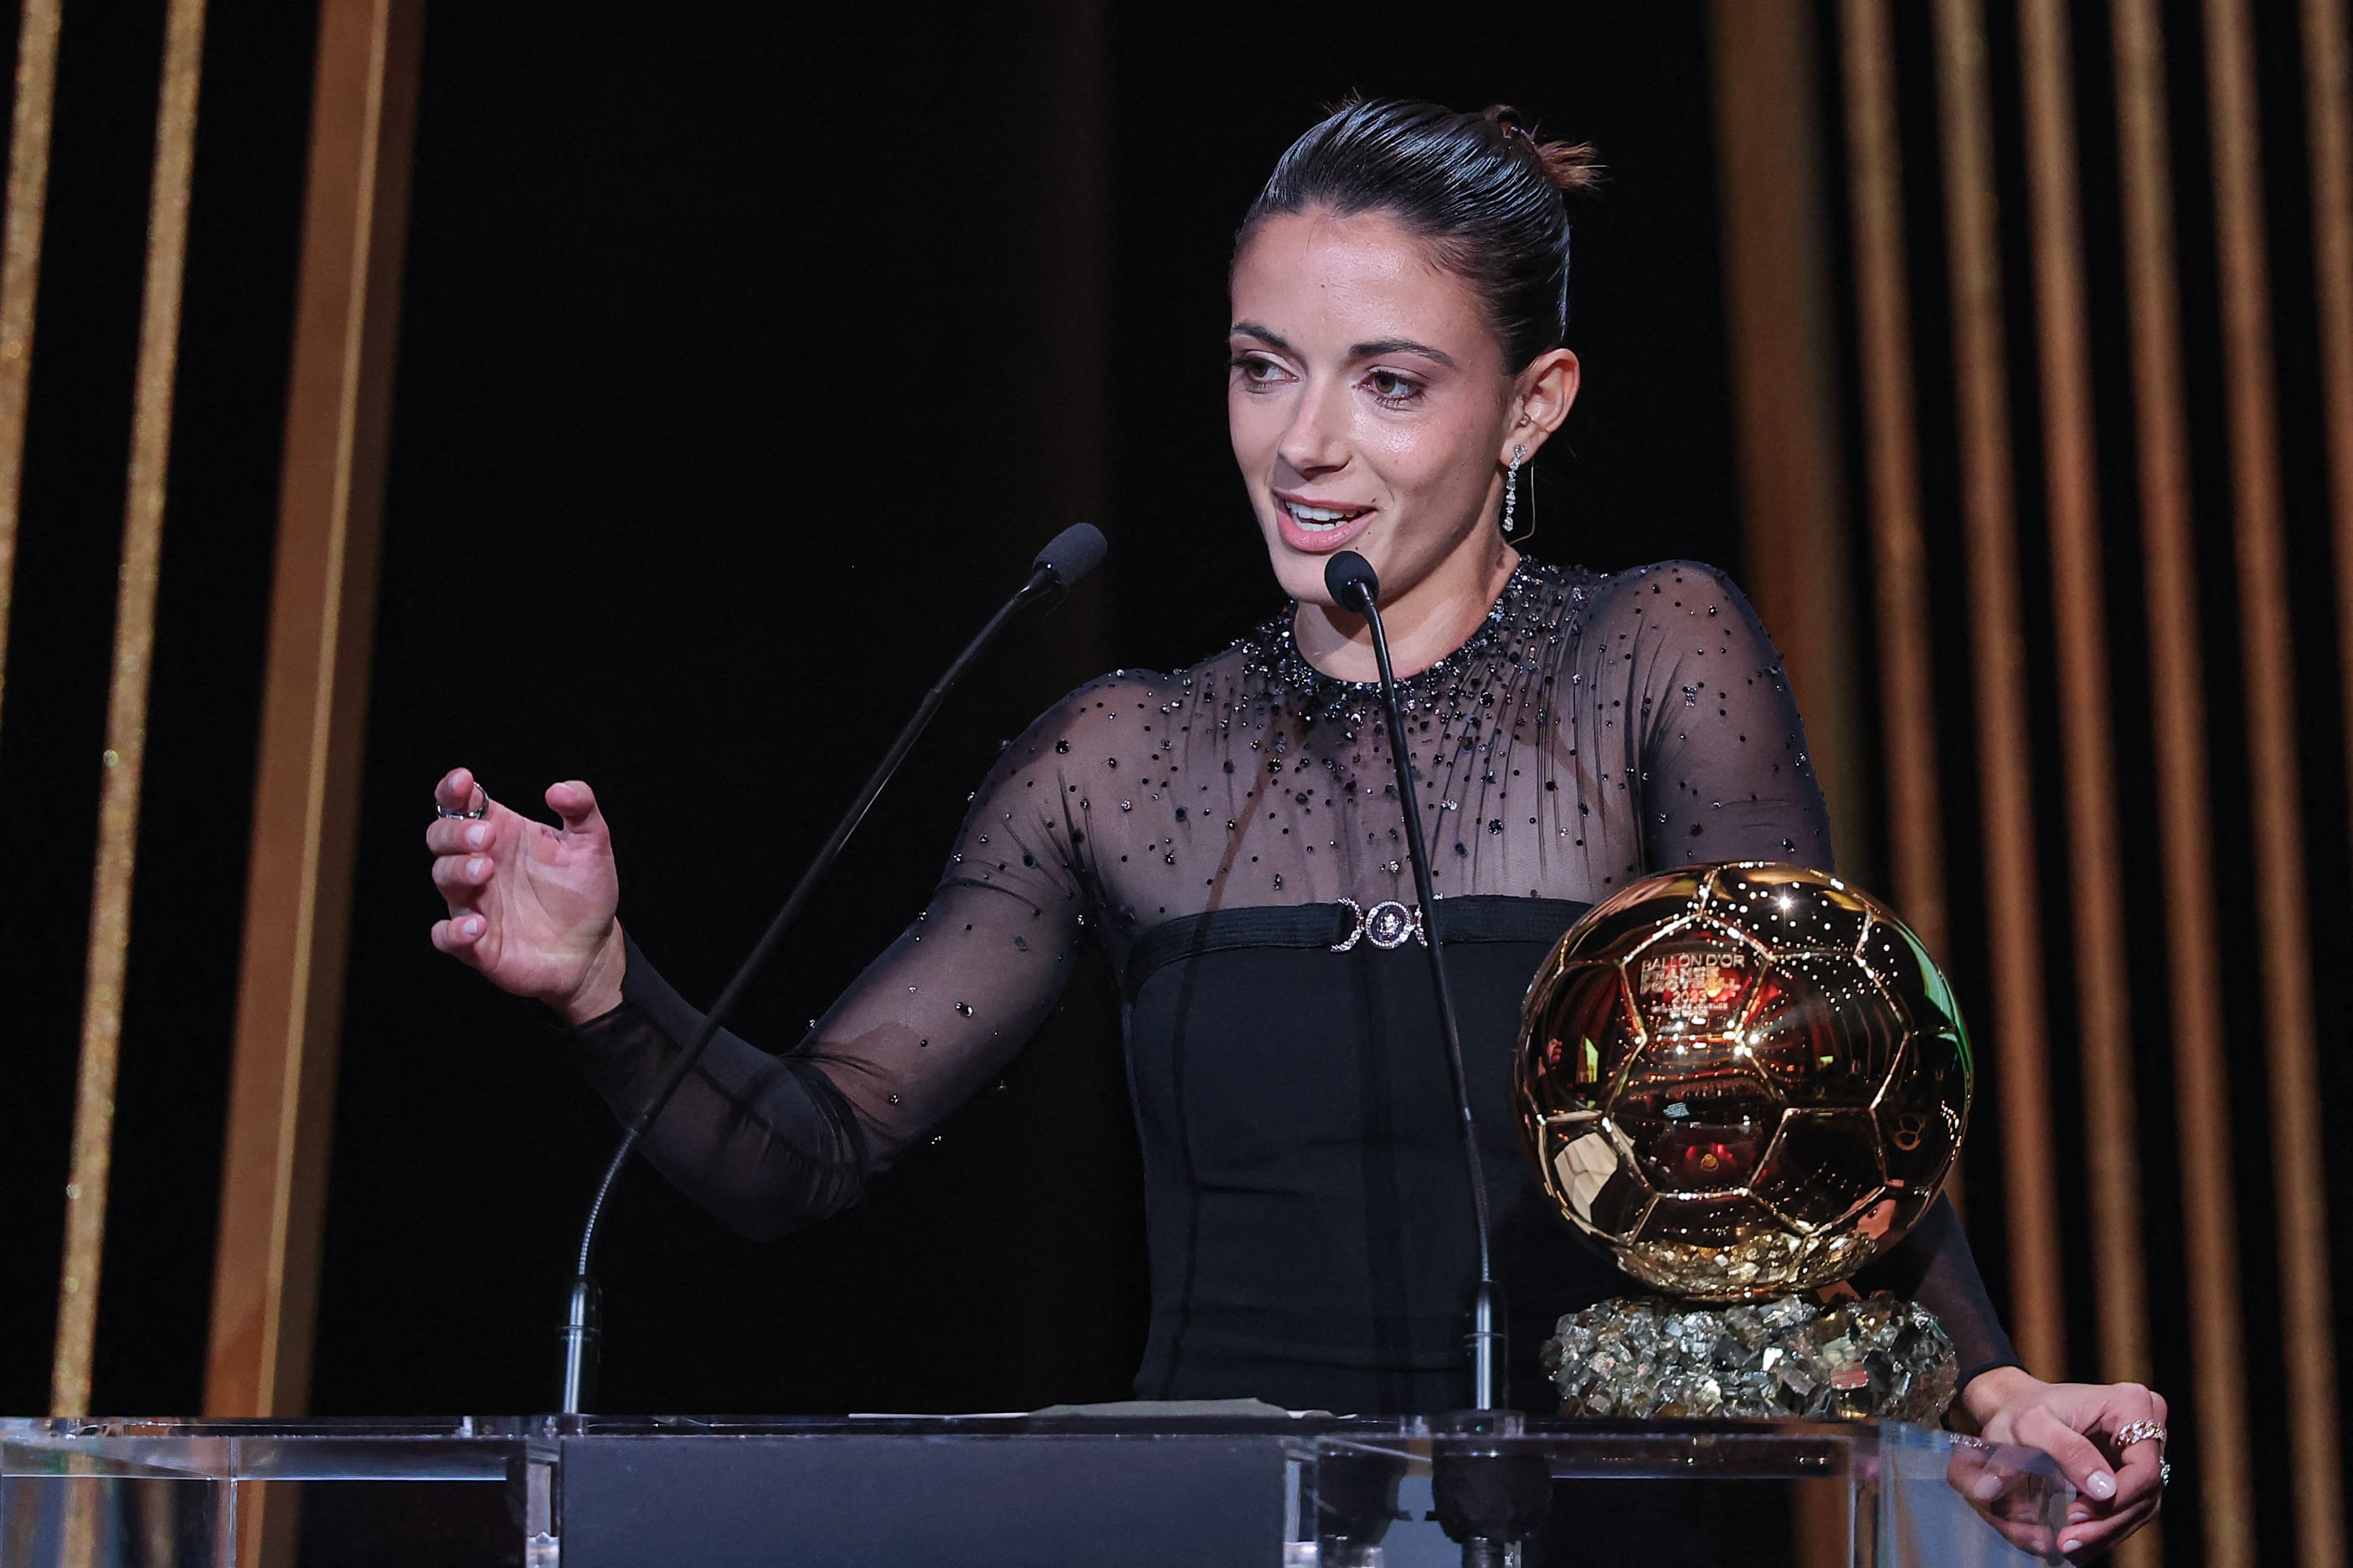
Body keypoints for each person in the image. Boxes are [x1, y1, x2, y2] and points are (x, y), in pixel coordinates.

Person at [426, 100, 2161, 1557]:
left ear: (1532, 403)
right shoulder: (1121, 754)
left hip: (1565, 1525)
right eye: (1265, 368)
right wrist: (601, 986)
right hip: (1207, 1525)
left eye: (1389, 383)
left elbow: (1834, 1123)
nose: (1304, 443)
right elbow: (801, 1149)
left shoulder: (1648, 661)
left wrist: (1994, 1394)